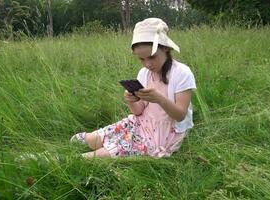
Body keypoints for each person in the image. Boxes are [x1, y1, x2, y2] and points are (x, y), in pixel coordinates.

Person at [70, 18, 196, 158]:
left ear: (165, 48)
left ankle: (73, 160)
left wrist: (160, 99)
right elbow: (138, 111)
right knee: (94, 139)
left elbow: (180, 115)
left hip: (164, 133)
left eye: (151, 57)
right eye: (142, 59)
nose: (147, 64)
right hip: (141, 122)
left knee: (109, 152)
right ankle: (91, 142)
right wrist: (131, 100)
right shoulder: (144, 73)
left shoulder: (182, 73)